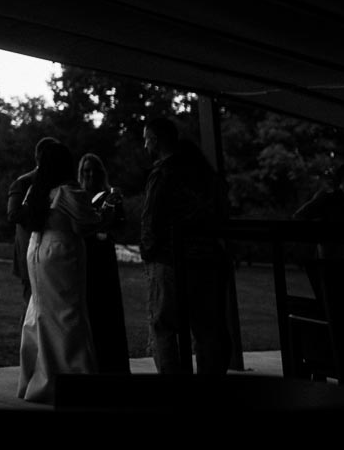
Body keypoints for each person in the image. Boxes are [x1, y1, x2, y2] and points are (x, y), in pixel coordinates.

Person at [17, 139, 109, 403]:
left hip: (37, 250)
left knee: (39, 315)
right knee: (69, 316)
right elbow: (85, 225)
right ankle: (74, 381)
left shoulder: (37, 190)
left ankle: (35, 381)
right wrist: (106, 213)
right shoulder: (68, 192)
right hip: (61, 252)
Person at [140, 117, 231, 376]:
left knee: (165, 327)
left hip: (170, 261)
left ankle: (176, 393)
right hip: (208, 261)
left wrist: (149, 254)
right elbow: (223, 211)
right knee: (208, 329)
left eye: (146, 139)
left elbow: (151, 220)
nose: (145, 145)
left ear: (155, 140)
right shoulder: (204, 174)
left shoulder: (162, 174)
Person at [293, 159, 344, 382]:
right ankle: (339, 365)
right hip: (331, 262)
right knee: (336, 311)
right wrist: (322, 236)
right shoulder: (329, 199)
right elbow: (300, 217)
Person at [77, 152, 130, 374]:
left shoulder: (110, 196)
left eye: (94, 170)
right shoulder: (76, 196)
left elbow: (122, 227)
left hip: (104, 259)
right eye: (86, 170)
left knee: (108, 310)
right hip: (82, 258)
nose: (90, 174)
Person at [5, 145, 42, 312]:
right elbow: (13, 214)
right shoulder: (24, 182)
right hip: (28, 249)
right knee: (31, 306)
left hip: (49, 254)